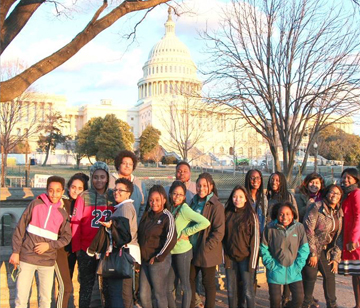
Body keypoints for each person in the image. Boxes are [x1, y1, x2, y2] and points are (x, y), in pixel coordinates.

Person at [9, 176, 72, 308]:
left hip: (47, 261)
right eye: (51, 190)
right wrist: (15, 252)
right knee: (21, 298)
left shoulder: (62, 213)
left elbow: (66, 237)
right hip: (27, 258)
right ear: (46, 190)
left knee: (45, 300)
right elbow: (20, 227)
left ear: (62, 192)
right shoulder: (35, 204)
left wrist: (49, 245)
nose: (54, 194)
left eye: (58, 191)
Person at [71, 161, 115, 308]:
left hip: (107, 249)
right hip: (86, 249)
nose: (99, 180)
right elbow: (75, 223)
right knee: (86, 286)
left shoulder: (113, 196)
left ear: (107, 178)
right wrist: (77, 249)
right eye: (96, 177)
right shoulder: (84, 197)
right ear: (91, 177)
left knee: (107, 287)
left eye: (103, 177)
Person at [166, 181, 210, 308]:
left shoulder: (185, 209)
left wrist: (186, 232)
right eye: (175, 194)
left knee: (185, 285)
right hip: (170, 252)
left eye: (180, 194)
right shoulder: (169, 208)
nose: (177, 197)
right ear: (170, 194)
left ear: (184, 197)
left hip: (183, 252)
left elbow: (204, 222)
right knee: (169, 287)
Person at [100, 177, 140, 308]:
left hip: (123, 255)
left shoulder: (125, 208)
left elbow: (123, 234)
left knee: (120, 293)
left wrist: (110, 226)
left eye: (120, 190)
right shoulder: (122, 207)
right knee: (120, 292)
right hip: (124, 254)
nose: (116, 192)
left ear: (128, 192)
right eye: (115, 189)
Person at [260, 202, 309, 308]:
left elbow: (304, 248)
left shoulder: (299, 228)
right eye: (281, 214)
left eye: (288, 214)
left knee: (299, 299)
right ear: (277, 216)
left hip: (294, 271)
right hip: (275, 271)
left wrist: (298, 266)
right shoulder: (270, 228)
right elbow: (264, 249)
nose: (285, 217)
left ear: (293, 215)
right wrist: (271, 265)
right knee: (275, 301)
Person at [302, 184, 343, 308]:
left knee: (329, 275)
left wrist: (335, 258)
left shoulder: (339, 212)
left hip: (326, 249)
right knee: (310, 275)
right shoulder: (316, 207)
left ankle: (332, 304)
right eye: (332, 192)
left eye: (337, 193)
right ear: (326, 193)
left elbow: (339, 236)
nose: (334, 195)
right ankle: (306, 303)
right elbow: (308, 230)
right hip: (312, 247)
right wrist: (312, 253)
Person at [190, 172, 225, 308]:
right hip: (191, 248)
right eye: (199, 186)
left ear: (211, 186)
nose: (201, 189)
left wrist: (206, 247)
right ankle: (193, 304)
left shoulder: (216, 205)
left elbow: (219, 231)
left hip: (206, 251)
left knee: (208, 283)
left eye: (205, 186)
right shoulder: (193, 201)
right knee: (190, 280)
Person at [138, 185, 177, 308]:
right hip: (145, 260)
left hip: (158, 261)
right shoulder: (147, 216)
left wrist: (159, 257)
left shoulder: (167, 216)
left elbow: (171, 238)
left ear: (164, 200)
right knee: (144, 296)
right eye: (151, 200)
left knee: (159, 295)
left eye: (157, 199)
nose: (154, 203)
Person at [54, 172, 89, 308]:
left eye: (80, 188)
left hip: (80, 247)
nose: (76, 191)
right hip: (63, 249)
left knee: (83, 281)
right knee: (65, 284)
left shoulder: (85, 204)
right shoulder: (62, 203)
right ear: (68, 187)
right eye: (73, 187)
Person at [223, 185, 260, 308]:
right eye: (234, 196)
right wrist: (225, 258)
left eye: (240, 197)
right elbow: (223, 237)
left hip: (246, 259)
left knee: (248, 291)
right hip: (230, 258)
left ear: (245, 199)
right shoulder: (227, 214)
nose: (237, 199)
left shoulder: (251, 215)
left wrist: (252, 263)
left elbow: (255, 241)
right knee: (231, 291)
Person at [339, 168, 360, 308]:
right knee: (355, 274)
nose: (345, 180)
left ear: (355, 180)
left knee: (358, 274)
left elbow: (359, 217)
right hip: (350, 239)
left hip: (356, 241)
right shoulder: (347, 194)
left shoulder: (356, 193)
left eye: (349, 178)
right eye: (344, 177)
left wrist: (353, 238)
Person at [109, 150, 147, 223]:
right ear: (118, 165)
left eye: (130, 164)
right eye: (124, 163)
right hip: (112, 225)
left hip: (134, 227)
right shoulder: (110, 181)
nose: (127, 166)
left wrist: (137, 222)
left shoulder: (139, 184)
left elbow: (143, 206)